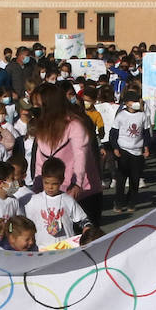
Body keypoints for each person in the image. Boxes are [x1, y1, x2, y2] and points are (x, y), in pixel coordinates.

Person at [29, 82, 103, 224]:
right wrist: (37, 188)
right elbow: (40, 163)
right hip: (56, 194)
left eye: (39, 106)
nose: (35, 110)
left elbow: (80, 156)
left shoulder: (74, 125)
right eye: (34, 106)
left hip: (84, 192)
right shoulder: (42, 130)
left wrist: (77, 184)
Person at [23, 156, 88, 250]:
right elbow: (24, 223)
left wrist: (87, 228)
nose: (50, 187)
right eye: (46, 183)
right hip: (42, 249)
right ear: (42, 180)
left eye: (54, 184)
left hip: (66, 247)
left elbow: (82, 220)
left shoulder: (68, 200)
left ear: (61, 181)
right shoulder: (33, 201)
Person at [109, 93, 149, 211]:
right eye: (132, 101)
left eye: (136, 100)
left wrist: (146, 148)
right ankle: (119, 203)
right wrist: (115, 148)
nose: (135, 103)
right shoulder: (121, 116)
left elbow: (146, 133)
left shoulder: (143, 116)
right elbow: (113, 133)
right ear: (126, 103)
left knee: (135, 179)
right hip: (123, 150)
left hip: (137, 151)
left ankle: (131, 202)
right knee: (121, 179)